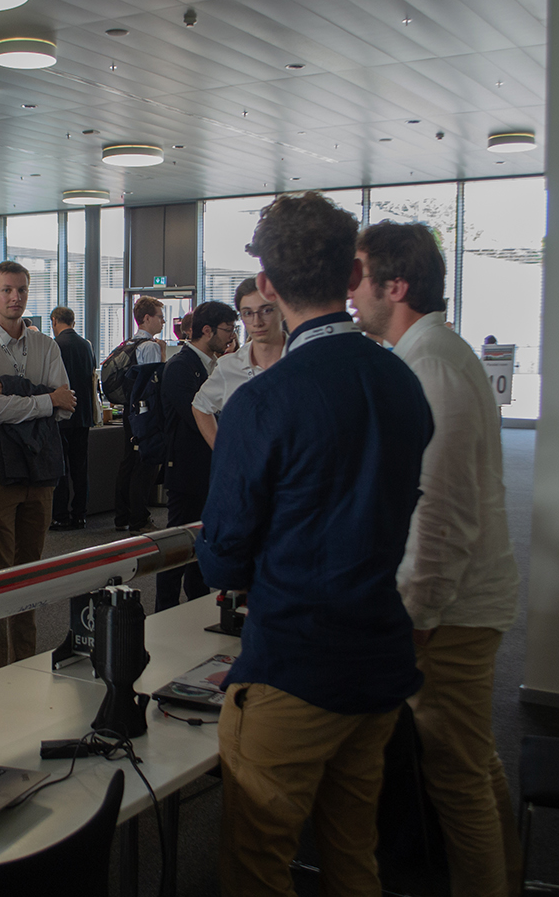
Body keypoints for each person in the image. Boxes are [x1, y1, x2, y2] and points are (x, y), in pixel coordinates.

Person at [197, 192, 433, 897]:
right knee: (353, 855)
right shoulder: (403, 382)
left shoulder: (263, 402)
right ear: (351, 269)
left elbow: (225, 557)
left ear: (266, 285)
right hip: (378, 665)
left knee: (257, 867)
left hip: (294, 667)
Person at [349, 221, 522, 897]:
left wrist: (414, 619)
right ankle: (504, 877)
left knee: (456, 778)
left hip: (449, 615)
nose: (350, 291)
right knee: (474, 765)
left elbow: (441, 517)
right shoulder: (428, 357)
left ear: (397, 285)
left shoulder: (433, 368)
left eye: (359, 276)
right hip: (456, 607)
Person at [0, 262, 73, 672]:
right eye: (7, 290)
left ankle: (23, 664)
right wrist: (44, 398)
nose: (15, 297)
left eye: (22, 290)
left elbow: (68, 408)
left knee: (30, 574)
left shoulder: (46, 345)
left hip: (40, 470)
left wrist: (12, 390)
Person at [155, 300, 236, 612]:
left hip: (207, 469)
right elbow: (197, 416)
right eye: (228, 330)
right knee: (178, 542)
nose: (231, 338)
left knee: (201, 541)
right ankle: (165, 609)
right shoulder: (180, 367)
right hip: (186, 469)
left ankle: (197, 606)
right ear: (207, 330)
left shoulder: (213, 366)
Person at [192, 277, 286, 448]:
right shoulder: (229, 366)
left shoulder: (304, 358)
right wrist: (223, 452)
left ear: (283, 310)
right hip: (248, 471)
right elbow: (200, 406)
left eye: (266, 311)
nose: (257, 322)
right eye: (248, 313)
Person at [113, 295, 165, 532]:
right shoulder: (151, 347)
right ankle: (139, 519)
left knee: (128, 462)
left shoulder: (127, 344)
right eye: (160, 317)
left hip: (128, 411)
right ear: (147, 318)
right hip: (145, 413)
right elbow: (154, 383)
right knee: (145, 464)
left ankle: (122, 516)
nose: (163, 322)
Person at [49, 305, 95, 532]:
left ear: (55, 321)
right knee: (80, 467)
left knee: (61, 467)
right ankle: (80, 515)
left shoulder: (55, 346)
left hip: (62, 415)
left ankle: (60, 516)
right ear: (73, 322)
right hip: (84, 415)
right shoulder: (86, 346)